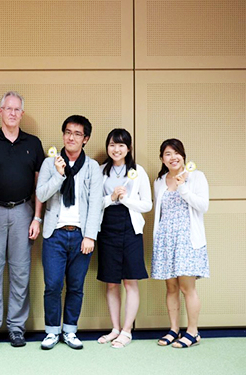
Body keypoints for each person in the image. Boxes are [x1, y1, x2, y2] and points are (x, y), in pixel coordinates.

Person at [0, 91, 44, 349]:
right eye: (8, 108)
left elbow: (40, 186)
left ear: (22, 114)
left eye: (17, 109)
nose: (12, 113)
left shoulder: (33, 144)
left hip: (23, 211)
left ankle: (16, 327)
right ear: (0, 111)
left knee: (20, 271)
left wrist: (37, 217)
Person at [36, 115, 102, 350]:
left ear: (85, 139)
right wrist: (59, 174)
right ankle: (52, 331)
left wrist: (90, 236)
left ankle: (70, 330)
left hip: (81, 235)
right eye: (67, 132)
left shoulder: (92, 167)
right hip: (54, 234)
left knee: (76, 285)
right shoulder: (49, 163)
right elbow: (41, 195)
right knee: (52, 284)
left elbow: (96, 203)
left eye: (77, 134)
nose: (71, 137)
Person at [96, 129, 152, 348]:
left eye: (121, 145)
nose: (116, 149)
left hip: (130, 228)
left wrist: (126, 200)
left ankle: (127, 331)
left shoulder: (138, 172)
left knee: (130, 281)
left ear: (128, 148)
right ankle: (115, 329)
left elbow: (147, 204)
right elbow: (94, 203)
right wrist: (110, 198)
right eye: (112, 144)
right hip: (107, 227)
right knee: (111, 283)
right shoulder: (101, 171)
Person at [152, 138, 209, 348]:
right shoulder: (159, 181)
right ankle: (174, 329)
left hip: (187, 238)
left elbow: (203, 206)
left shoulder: (196, 177)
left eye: (176, 153)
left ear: (183, 156)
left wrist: (183, 187)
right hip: (166, 239)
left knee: (187, 288)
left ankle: (193, 332)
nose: (173, 157)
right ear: (162, 159)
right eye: (167, 154)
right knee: (171, 287)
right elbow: (160, 213)